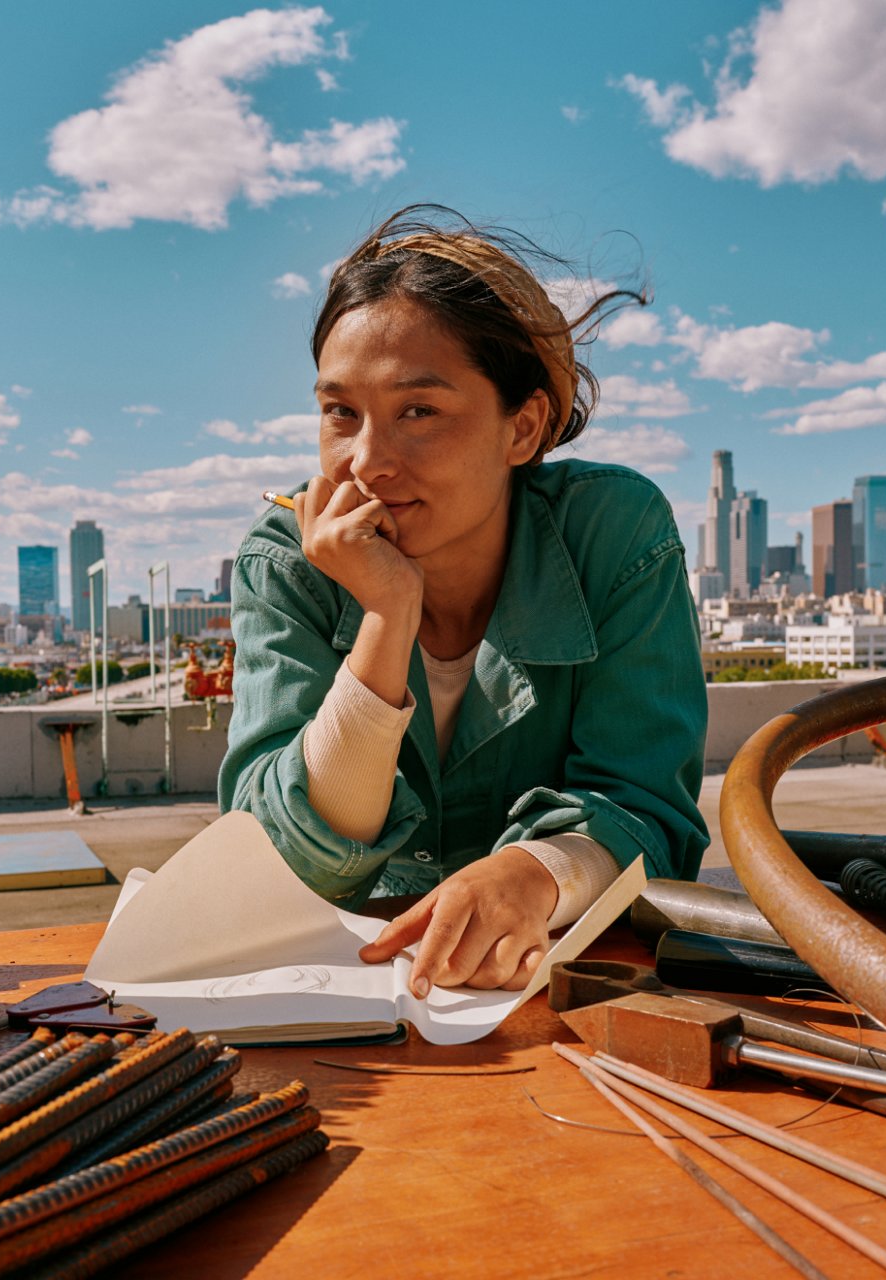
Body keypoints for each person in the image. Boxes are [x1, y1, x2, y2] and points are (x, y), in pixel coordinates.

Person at [219, 206, 708, 997]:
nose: (367, 463)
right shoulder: (286, 562)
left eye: (419, 411)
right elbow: (282, 859)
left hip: (559, 988)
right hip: (344, 996)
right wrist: (385, 618)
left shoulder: (614, 534)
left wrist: (533, 873)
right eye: (341, 412)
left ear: (524, 429)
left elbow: (647, 807)